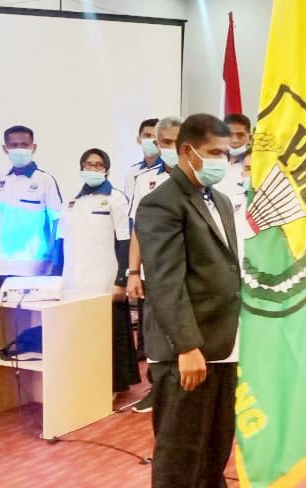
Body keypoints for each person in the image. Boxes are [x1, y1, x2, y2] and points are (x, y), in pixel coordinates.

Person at [136, 113, 241, 488]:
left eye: (225, 153)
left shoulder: (222, 201)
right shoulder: (160, 204)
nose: (221, 161)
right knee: (180, 458)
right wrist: (187, 346)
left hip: (223, 346)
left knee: (214, 452)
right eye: (213, 153)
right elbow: (166, 282)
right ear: (186, 151)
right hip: (186, 351)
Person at [57, 148, 139, 394]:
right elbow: (62, 240)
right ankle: (86, 379)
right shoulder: (72, 200)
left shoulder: (116, 198)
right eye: (88, 164)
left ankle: (112, 384)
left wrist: (121, 279)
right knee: (81, 335)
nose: (93, 169)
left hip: (105, 280)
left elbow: (125, 241)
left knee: (109, 334)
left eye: (98, 165)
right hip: (74, 280)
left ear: (107, 169)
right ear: (81, 168)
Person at [127, 116, 182, 414]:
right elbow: (138, 228)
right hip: (154, 271)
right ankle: (157, 388)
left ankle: (185, 388)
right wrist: (133, 271)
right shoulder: (145, 180)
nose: (171, 147)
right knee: (154, 334)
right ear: (157, 145)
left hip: (189, 271)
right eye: (166, 142)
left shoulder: (200, 176)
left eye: (177, 141)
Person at [0, 125, 62, 292]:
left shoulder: (45, 180)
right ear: (5, 149)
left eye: (24, 145)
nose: (19, 149)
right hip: (0, 268)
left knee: (32, 310)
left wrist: (52, 259)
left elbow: (57, 223)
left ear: (33, 147)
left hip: (34, 269)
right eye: (13, 145)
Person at [124, 118, 160, 200]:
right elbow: (129, 202)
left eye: (156, 136)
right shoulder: (131, 172)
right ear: (139, 139)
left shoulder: (169, 169)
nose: (152, 140)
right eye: (148, 136)